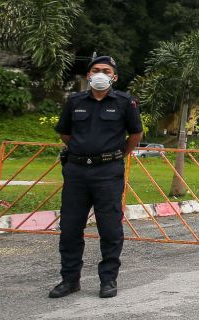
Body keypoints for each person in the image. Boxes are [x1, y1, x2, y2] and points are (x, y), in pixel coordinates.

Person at [50, 55, 142, 298]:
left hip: (108, 172)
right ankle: (69, 280)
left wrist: (118, 154)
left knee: (110, 228)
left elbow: (135, 134)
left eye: (106, 70)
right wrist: (82, 151)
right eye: (96, 70)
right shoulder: (75, 101)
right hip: (77, 171)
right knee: (70, 228)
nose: (100, 73)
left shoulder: (125, 102)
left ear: (115, 77)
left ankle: (108, 280)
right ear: (88, 75)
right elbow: (65, 133)